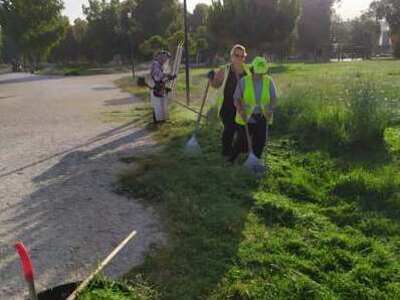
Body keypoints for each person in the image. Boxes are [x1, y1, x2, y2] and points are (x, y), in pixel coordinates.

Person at [230, 56, 277, 163]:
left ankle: (255, 160)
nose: (260, 75)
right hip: (246, 115)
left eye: (262, 72)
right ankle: (232, 158)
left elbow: (274, 98)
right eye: (258, 72)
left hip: (262, 115)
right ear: (253, 69)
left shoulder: (269, 81)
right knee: (242, 141)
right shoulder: (244, 81)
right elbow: (236, 98)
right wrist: (240, 110)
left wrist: (271, 108)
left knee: (260, 140)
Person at [208, 44, 251, 158]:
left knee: (243, 131)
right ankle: (226, 153)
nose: (239, 58)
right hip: (227, 106)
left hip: (243, 106)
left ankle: (241, 151)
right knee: (229, 129)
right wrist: (211, 78)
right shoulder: (225, 70)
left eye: (242, 56)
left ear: (244, 57)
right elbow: (215, 85)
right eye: (236, 55)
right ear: (232, 56)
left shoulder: (248, 70)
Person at [149, 50, 176, 123]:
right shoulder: (155, 64)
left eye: (166, 59)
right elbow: (159, 75)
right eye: (165, 58)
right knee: (158, 105)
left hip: (158, 87)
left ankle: (160, 120)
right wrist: (168, 76)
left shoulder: (160, 65)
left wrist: (169, 78)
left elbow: (162, 78)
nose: (166, 61)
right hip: (155, 87)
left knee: (161, 104)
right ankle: (158, 121)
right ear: (161, 57)